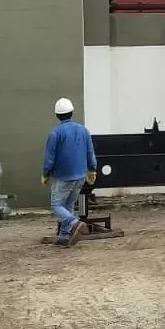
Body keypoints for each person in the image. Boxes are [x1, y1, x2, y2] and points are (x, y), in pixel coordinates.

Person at [41, 97, 97, 246]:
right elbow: (90, 152)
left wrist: (45, 173)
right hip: (80, 175)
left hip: (63, 176)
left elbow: (49, 158)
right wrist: (92, 169)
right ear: (72, 112)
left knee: (57, 205)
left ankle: (74, 223)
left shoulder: (55, 133)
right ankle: (64, 236)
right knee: (69, 206)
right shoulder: (83, 130)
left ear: (57, 115)